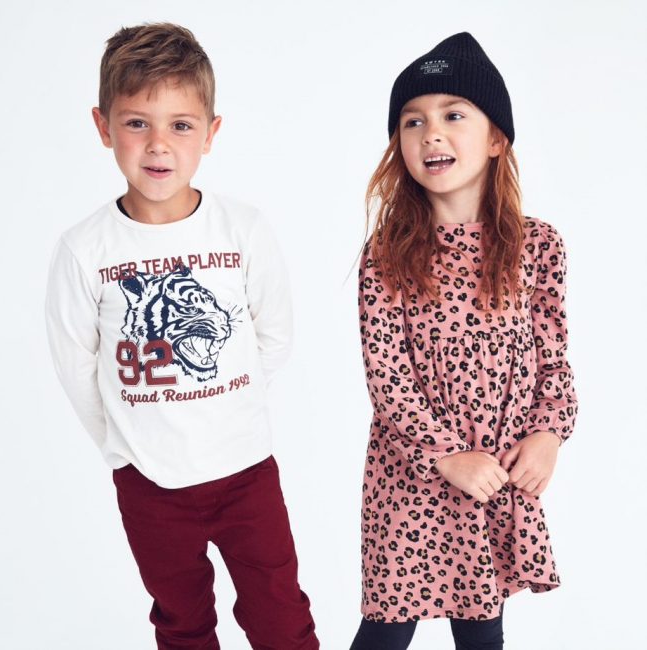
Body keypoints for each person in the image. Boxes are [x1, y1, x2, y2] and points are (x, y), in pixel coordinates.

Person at [45, 22, 319, 650]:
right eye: (137, 122)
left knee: (281, 615)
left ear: (211, 133)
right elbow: (76, 366)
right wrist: (125, 448)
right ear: (103, 126)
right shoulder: (86, 249)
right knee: (182, 621)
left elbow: (274, 335)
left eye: (181, 124)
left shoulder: (242, 229)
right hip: (149, 483)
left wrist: (227, 405)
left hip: (246, 471)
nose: (158, 144)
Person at [349, 32, 578, 650]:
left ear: (496, 138)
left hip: (494, 476)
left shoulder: (538, 247)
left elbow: (554, 361)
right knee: (385, 631)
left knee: (481, 631)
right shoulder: (387, 256)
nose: (431, 134)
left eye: (453, 115)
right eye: (413, 121)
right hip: (411, 479)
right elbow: (387, 378)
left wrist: (549, 433)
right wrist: (446, 455)